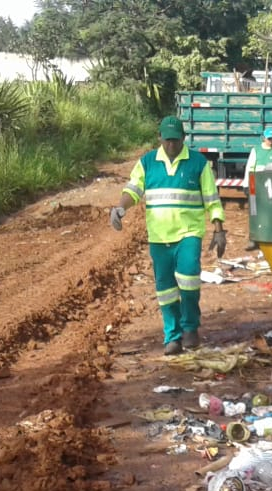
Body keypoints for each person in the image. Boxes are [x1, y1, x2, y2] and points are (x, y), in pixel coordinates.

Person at [111, 115, 226, 355]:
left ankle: (190, 328)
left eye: (175, 140)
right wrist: (120, 208)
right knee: (165, 289)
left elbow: (211, 198)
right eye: (167, 140)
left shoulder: (198, 163)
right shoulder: (147, 163)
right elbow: (133, 190)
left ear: (184, 138)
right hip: (159, 236)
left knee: (189, 280)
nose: (171, 145)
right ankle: (172, 337)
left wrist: (218, 229)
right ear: (159, 138)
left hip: (189, 233)